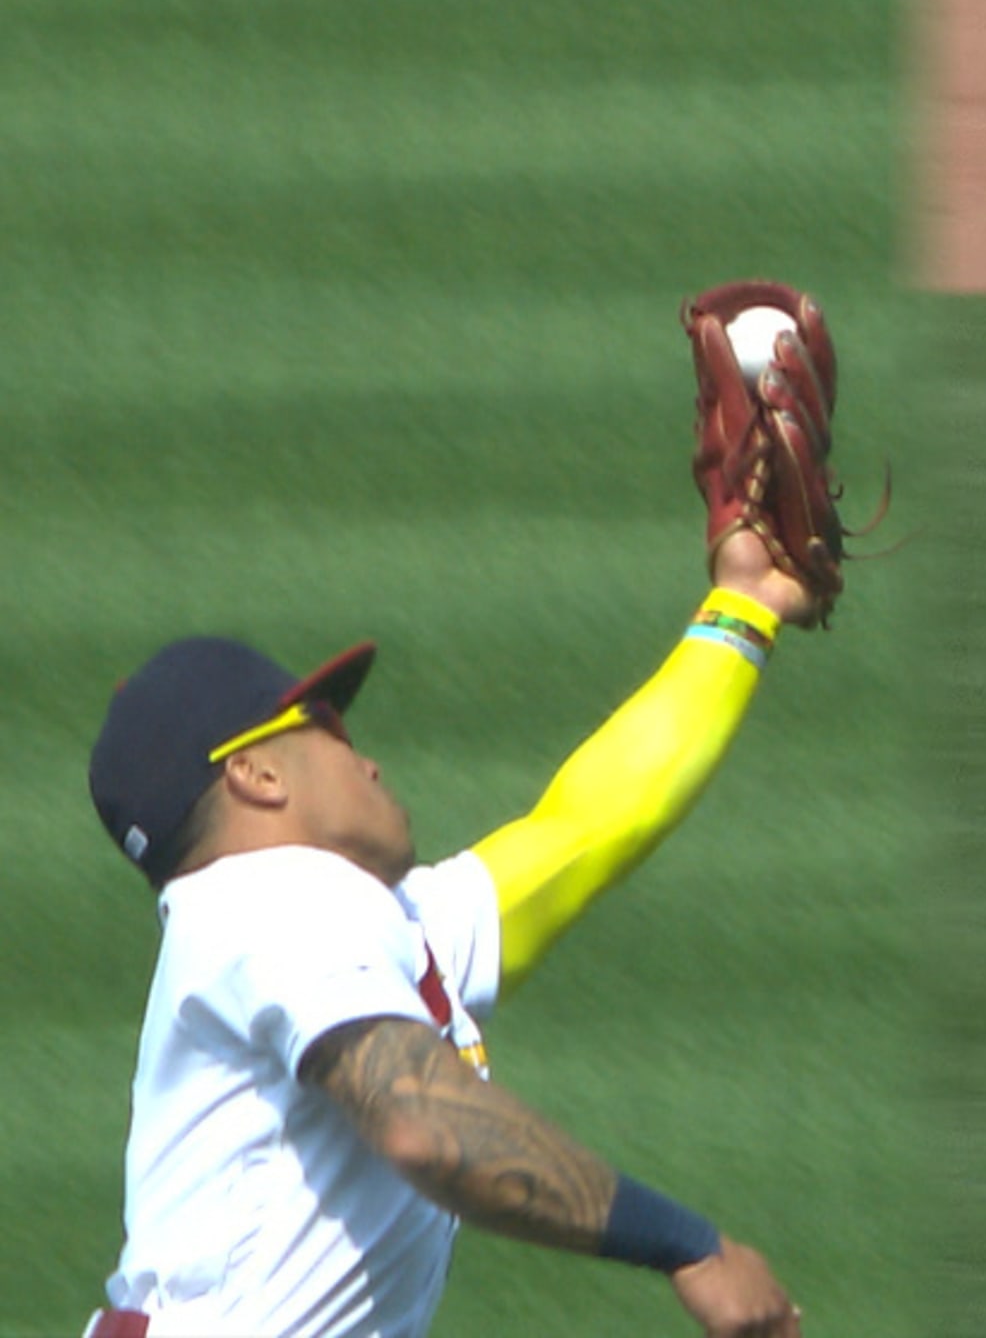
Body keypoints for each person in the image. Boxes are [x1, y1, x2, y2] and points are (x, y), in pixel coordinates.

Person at [84, 526, 820, 1338]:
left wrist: (743, 608)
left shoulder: (337, 923)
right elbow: (425, 1125)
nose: (363, 760)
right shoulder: (277, 903)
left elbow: (582, 829)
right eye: (322, 723)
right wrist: (694, 1249)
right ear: (256, 775)